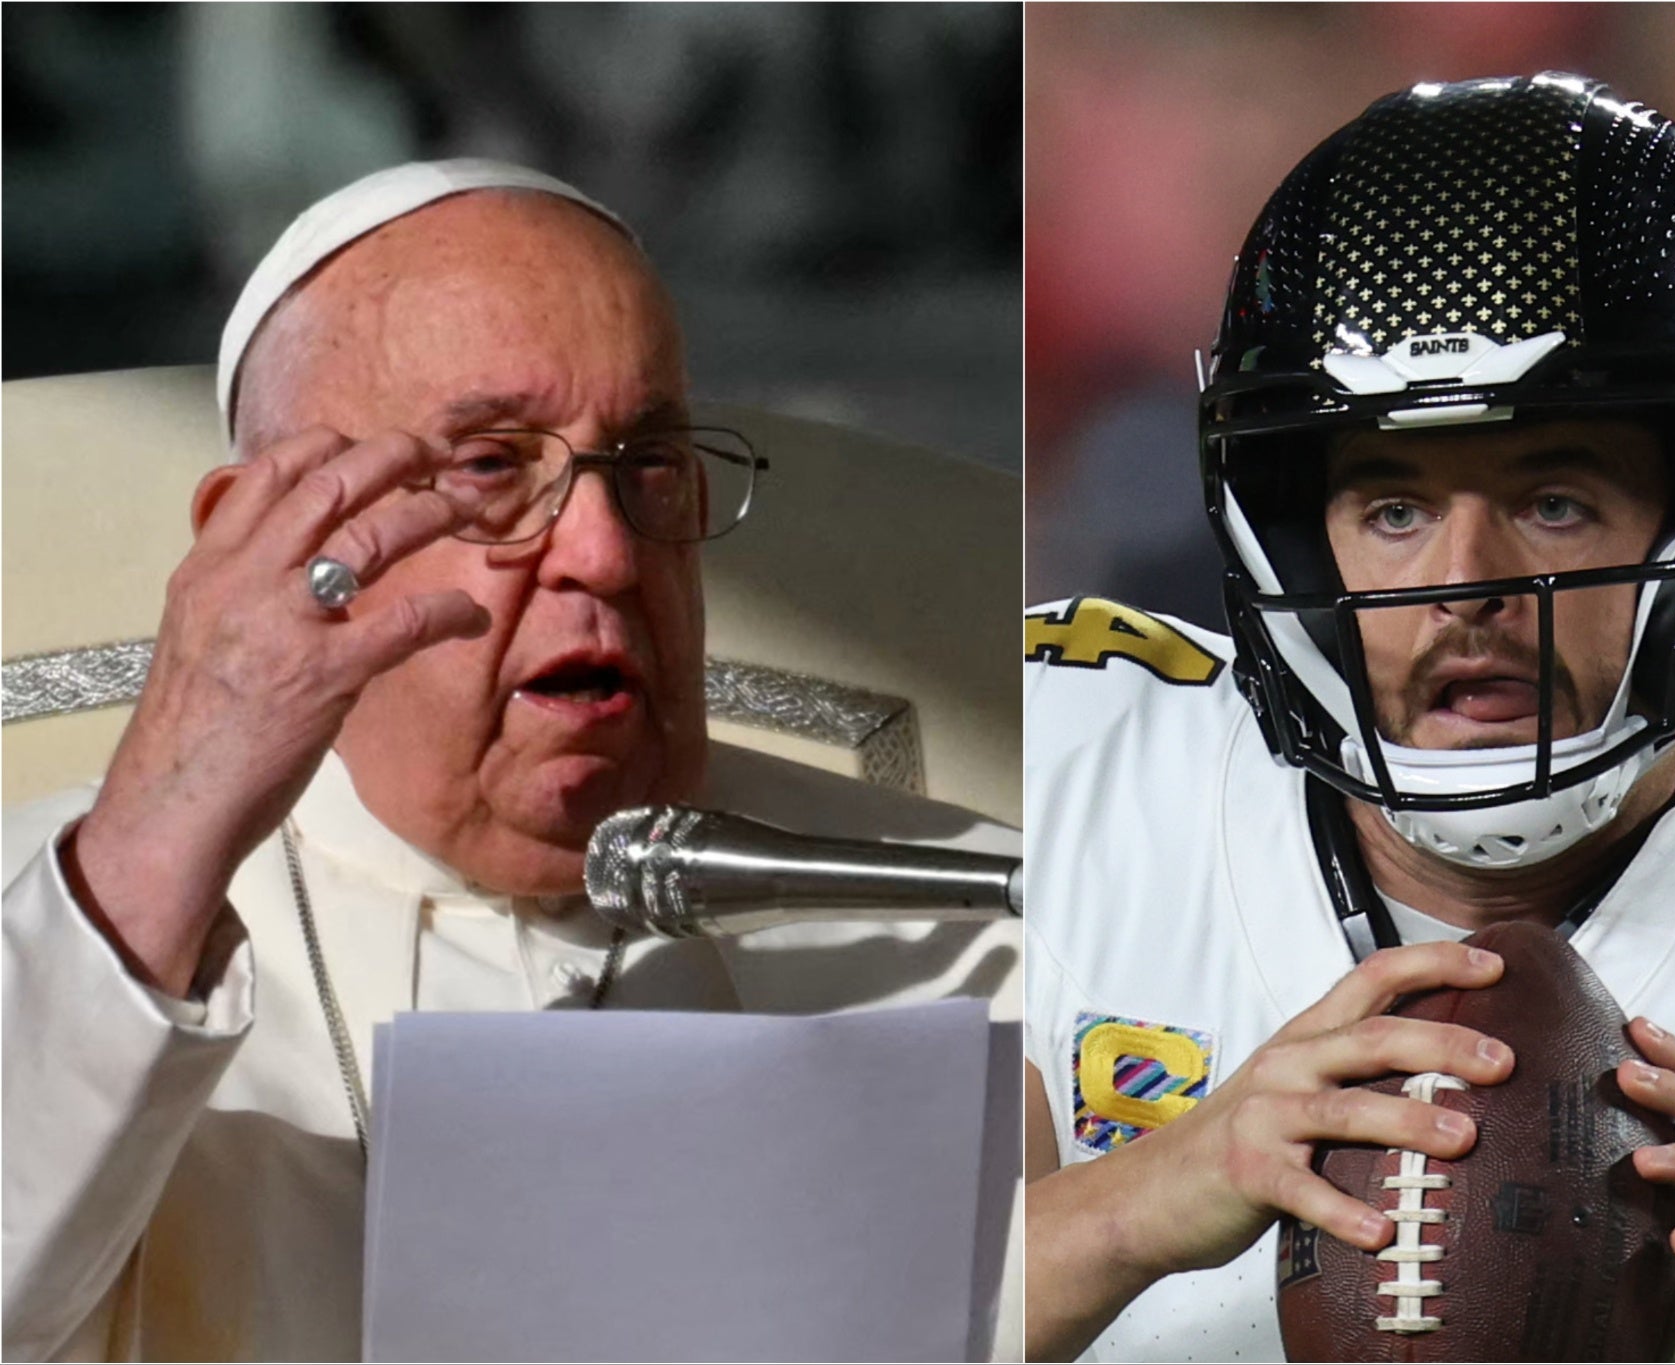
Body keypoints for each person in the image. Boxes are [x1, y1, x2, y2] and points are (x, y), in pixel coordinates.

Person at [1022, 74, 1675, 1362]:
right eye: (1393, 510)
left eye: (1554, 500)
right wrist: (1131, 1208)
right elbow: (805, 1310)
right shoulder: (1075, 760)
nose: (1467, 587)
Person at [2, 160, 1020, 1361]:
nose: (600, 550)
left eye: (646, 463)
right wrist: (161, 831)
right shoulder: (72, 912)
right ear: (260, 535)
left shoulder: (979, 909)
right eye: (491, 466)